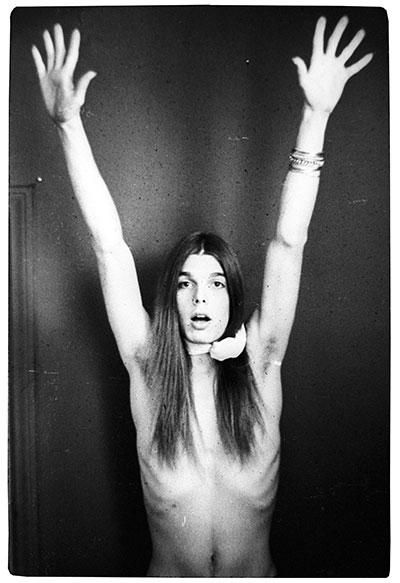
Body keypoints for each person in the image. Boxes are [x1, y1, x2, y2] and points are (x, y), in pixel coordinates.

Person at [31, 15, 373, 577]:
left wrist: (316, 116)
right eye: (185, 283)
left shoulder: (262, 362)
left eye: (216, 284)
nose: (200, 298)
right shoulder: (147, 367)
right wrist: (68, 125)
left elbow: (289, 242)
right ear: (170, 299)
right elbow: (109, 246)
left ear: (232, 297)